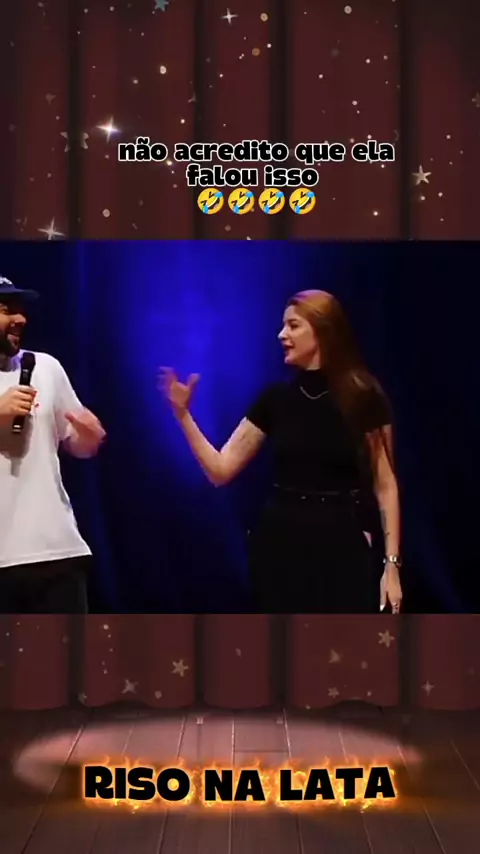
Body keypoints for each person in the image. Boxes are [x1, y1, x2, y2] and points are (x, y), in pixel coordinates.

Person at [159, 289, 402, 614]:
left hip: (342, 542)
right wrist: (183, 416)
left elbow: (385, 486)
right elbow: (220, 470)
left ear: (323, 330)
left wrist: (391, 565)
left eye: (293, 325)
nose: (281, 335)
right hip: (281, 544)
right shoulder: (276, 399)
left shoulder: (362, 397)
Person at [0, 276, 106, 613]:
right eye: (5, 309)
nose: (20, 318)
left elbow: (78, 445)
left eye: (21, 309)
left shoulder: (44, 367)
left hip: (55, 552)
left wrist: (89, 439)